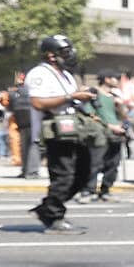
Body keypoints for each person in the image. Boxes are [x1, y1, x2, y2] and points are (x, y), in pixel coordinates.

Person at [25, 35, 96, 235]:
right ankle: (54, 217)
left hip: (74, 130)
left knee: (84, 173)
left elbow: (72, 101)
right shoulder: (39, 74)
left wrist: (82, 96)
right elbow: (38, 102)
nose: (70, 55)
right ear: (51, 55)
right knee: (62, 176)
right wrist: (71, 96)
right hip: (55, 133)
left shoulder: (66, 75)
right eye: (65, 52)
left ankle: (47, 208)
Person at [89, 73, 126, 201]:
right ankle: (90, 191)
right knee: (95, 163)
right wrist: (110, 126)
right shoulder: (95, 94)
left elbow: (123, 116)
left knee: (113, 164)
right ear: (107, 79)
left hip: (115, 135)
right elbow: (91, 115)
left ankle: (105, 190)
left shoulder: (115, 97)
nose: (117, 81)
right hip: (100, 133)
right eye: (115, 78)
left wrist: (119, 106)